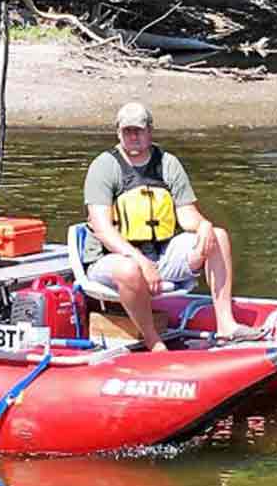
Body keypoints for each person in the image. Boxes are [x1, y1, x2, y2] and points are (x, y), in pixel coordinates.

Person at [81, 101, 255, 351]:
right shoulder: (104, 167)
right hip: (113, 260)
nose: (133, 136)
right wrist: (141, 262)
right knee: (129, 270)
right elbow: (102, 229)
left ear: (150, 131)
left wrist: (204, 225)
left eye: (138, 130)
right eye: (127, 131)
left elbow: (187, 216)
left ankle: (227, 326)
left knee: (218, 235)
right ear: (118, 133)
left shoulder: (168, 163)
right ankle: (153, 340)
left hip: (161, 254)